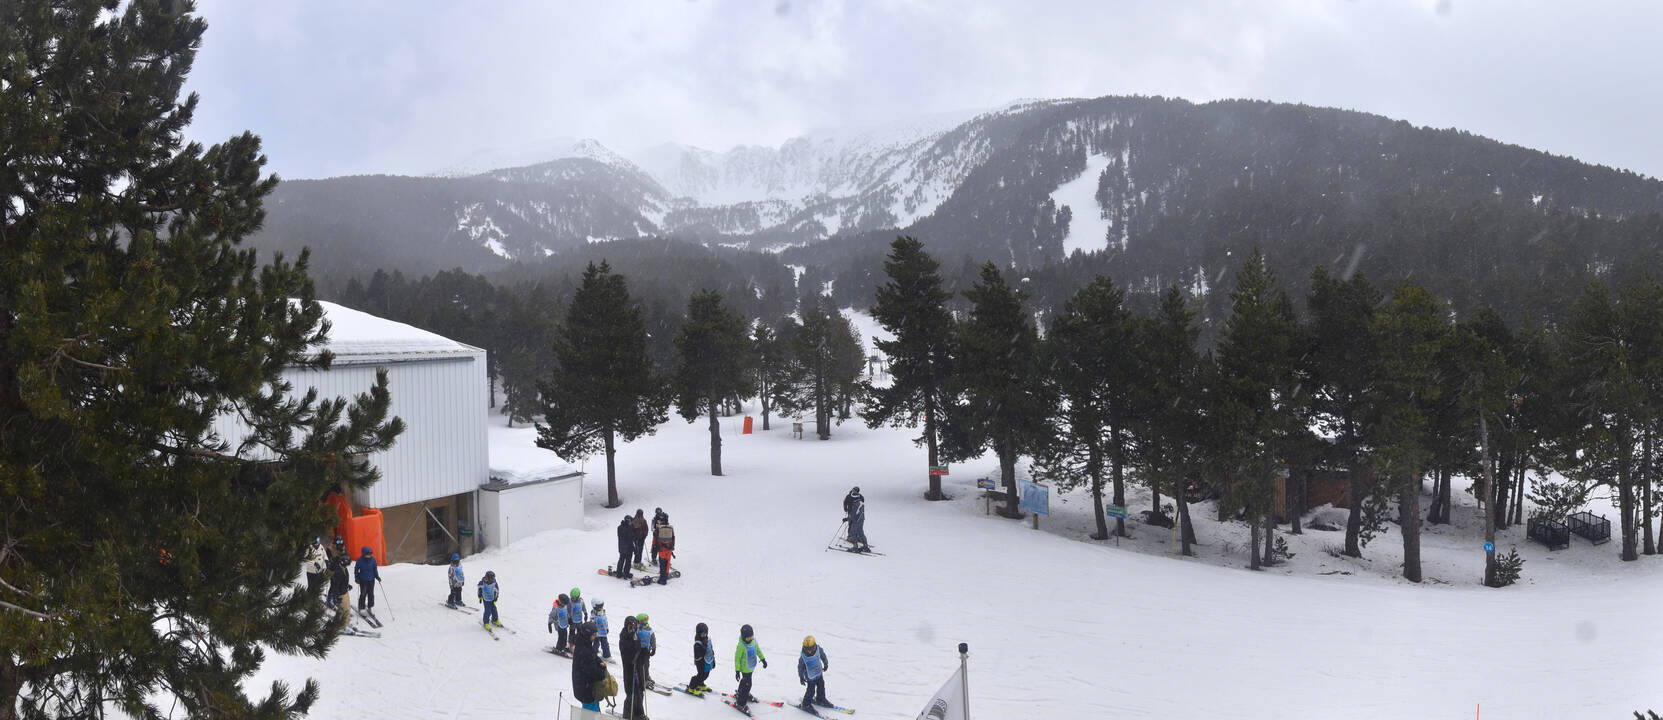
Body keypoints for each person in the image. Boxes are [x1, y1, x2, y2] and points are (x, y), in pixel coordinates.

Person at [571, 621, 607, 713]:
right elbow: (593, 672)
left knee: (591, 712)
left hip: (584, 687)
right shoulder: (585, 650)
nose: (595, 637)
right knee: (590, 714)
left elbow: (593, 657)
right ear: (587, 635)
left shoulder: (584, 644)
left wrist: (599, 662)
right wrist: (602, 670)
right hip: (586, 690)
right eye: (593, 635)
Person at [733, 624, 767, 712]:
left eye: (751, 637)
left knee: (745, 682)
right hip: (745, 669)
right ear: (743, 637)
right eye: (747, 639)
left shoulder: (753, 641)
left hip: (751, 667)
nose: (750, 640)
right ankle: (740, 703)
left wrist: (763, 659)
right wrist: (737, 671)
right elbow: (737, 658)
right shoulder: (741, 646)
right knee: (748, 685)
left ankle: (740, 693)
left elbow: (758, 650)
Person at [797, 635, 833, 709]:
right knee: (811, 690)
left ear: (814, 646)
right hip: (810, 676)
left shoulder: (818, 650)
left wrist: (825, 664)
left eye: (811, 649)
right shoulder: (803, 657)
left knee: (821, 686)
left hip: (819, 673)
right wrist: (801, 677)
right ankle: (806, 704)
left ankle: (820, 699)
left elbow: (823, 656)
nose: (809, 651)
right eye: (807, 649)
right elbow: (800, 667)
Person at [631, 614, 655, 718]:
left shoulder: (649, 630)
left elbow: (653, 639)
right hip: (639, 652)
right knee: (640, 665)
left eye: (638, 621)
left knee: (646, 665)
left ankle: (646, 677)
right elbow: (634, 639)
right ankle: (641, 677)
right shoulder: (637, 630)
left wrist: (653, 648)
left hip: (646, 652)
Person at [620, 614, 641, 719]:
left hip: (636, 668)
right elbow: (626, 653)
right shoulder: (624, 637)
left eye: (634, 627)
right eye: (630, 627)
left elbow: (638, 647)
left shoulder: (635, 635)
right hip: (629, 669)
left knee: (638, 692)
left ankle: (639, 713)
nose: (632, 629)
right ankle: (628, 714)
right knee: (630, 692)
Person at [687, 622, 714, 694]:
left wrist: (713, 660)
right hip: (700, 663)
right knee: (701, 675)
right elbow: (698, 656)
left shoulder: (708, 640)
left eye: (706, 633)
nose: (704, 635)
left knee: (706, 674)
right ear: (698, 633)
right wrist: (703, 648)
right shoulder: (697, 644)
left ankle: (700, 684)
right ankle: (691, 687)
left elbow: (711, 649)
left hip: (708, 662)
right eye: (702, 634)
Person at [326, 550, 352, 624]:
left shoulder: (343, 568)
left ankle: (342, 622)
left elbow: (342, 580)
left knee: (345, 609)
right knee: (345, 610)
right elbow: (335, 585)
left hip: (344, 591)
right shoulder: (338, 572)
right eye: (346, 565)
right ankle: (343, 624)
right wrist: (337, 596)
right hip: (341, 594)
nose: (347, 566)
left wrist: (347, 585)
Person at [843, 486, 870, 552]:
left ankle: (855, 547)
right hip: (861, 519)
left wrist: (846, 519)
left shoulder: (855, 505)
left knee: (853, 533)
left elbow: (853, 516)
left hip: (856, 520)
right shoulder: (861, 503)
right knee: (860, 532)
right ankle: (865, 546)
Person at [353, 546, 379, 611]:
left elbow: (375, 568)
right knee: (363, 593)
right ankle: (361, 607)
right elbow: (356, 569)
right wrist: (356, 577)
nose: (369, 556)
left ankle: (370, 606)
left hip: (371, 579)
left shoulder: (373, 560)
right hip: (363, 580)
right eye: (367, 554)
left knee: (371, 594)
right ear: (364, 554)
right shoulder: (360, 560)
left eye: (370, 554)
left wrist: (377, 576)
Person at [652, 515, 675, 585]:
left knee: (662, 563)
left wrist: (654, 546)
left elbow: (655, 538)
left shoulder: (658, 527)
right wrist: (672, 546)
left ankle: (662, 579)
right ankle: (665, 576)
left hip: (662, 549)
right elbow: (673, 537)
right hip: (669, 548)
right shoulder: (670, 527)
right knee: (667, 563)